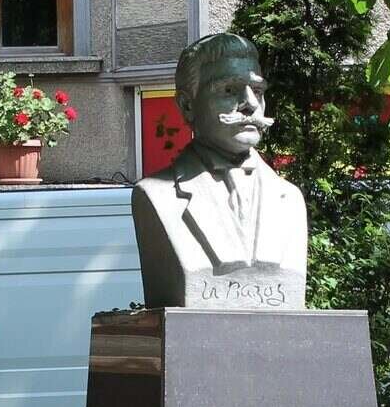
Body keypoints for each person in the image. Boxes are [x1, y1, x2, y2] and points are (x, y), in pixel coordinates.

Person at [131, 32, 308, 309]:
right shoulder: (156, 195)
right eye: (229, 90)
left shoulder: (290, 199)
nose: (251, 104)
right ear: (187, 105)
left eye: (258, 91)